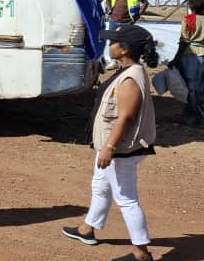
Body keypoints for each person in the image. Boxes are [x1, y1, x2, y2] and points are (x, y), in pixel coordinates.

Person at [62, 24, 158, 261]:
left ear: (124, 49)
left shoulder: (130, 78)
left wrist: (109, 148)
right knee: (100, 184)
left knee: (126, 198)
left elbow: (126, 116)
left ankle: (141, 253)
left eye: (114, 41)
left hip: (120, 149)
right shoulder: (126, 70)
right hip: (112, 145)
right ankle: (87, 229)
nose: (110, 45)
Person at [174, 0, 204, 124]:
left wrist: (175, 59)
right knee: (202, 85)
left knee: (190, 86)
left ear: (192, 6)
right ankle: (203, 112)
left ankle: (193, 114)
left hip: (190, 55)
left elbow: (184, 41)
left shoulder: (189, 20)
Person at [104, 0, 149, 67]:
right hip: (114, 20)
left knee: (128, 43)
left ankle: (129, 62)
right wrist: (108, 9)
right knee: (113, 41)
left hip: (127, 21)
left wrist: (138, 14)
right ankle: (114, 61)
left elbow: (145, 3)